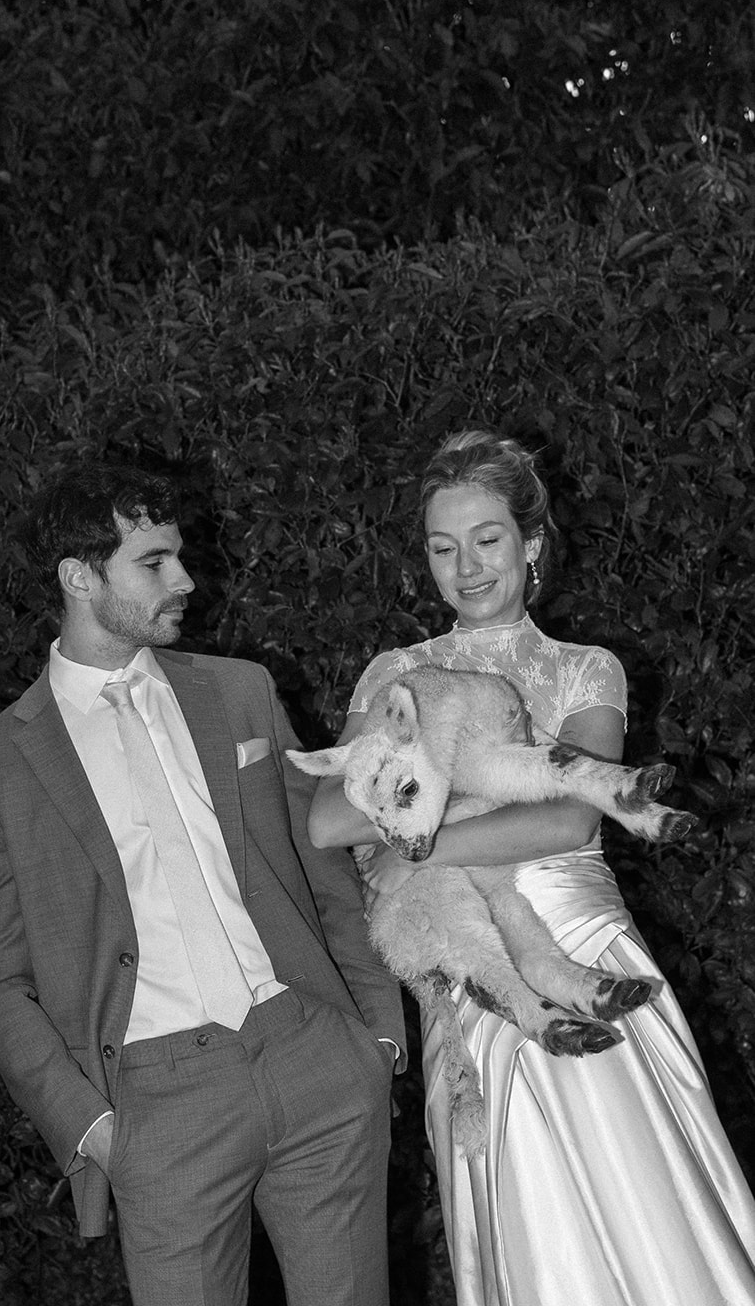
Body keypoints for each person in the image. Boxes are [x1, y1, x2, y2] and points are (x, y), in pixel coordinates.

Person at [308, 430, 755, 1306]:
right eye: (443, 547)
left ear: (531, 545)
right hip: (470, 962)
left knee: (646, 1197)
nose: (466, 567)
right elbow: (328, 818)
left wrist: (418, 846)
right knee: (525, 1215)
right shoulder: (399, 673)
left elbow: (569, 813)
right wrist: (417, 852)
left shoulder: (585, 670)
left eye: (487, 540)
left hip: (584, 943)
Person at [0, 460, 404, 1306]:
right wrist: (95, 1128)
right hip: (159, 1106)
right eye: (152, 563)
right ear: (79, 578)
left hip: (313, 1059)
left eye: (179, 556)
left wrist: (375, 1035)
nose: (184, 580)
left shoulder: (239, 691)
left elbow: (319, 866)